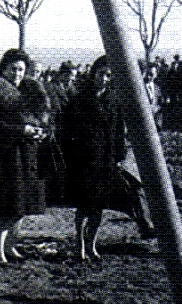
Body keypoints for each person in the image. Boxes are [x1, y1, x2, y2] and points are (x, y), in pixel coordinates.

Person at [61, 55, 153, 260]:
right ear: (93, 74)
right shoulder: (80, 100)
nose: (104, 78)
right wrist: (73, 154)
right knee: (84, 206)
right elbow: (66, 130)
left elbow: (119, 130)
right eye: (100, 74)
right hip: (84, 161)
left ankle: (92, 244)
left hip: (106, 160)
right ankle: (80, 244)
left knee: (98, 206)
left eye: (108, 75)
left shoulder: (113, 100)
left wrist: (120, 156)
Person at [0, 49, 49, 263]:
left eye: (21, 69)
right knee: (7, 204)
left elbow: (41, 116)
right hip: (6, 155)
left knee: (21, 204)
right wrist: (21, 130)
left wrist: (39, 130)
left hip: (26, 153)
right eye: (13, 69)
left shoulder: (29, 89)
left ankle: (11, 246)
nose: (17, 73)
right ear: (4, 69)